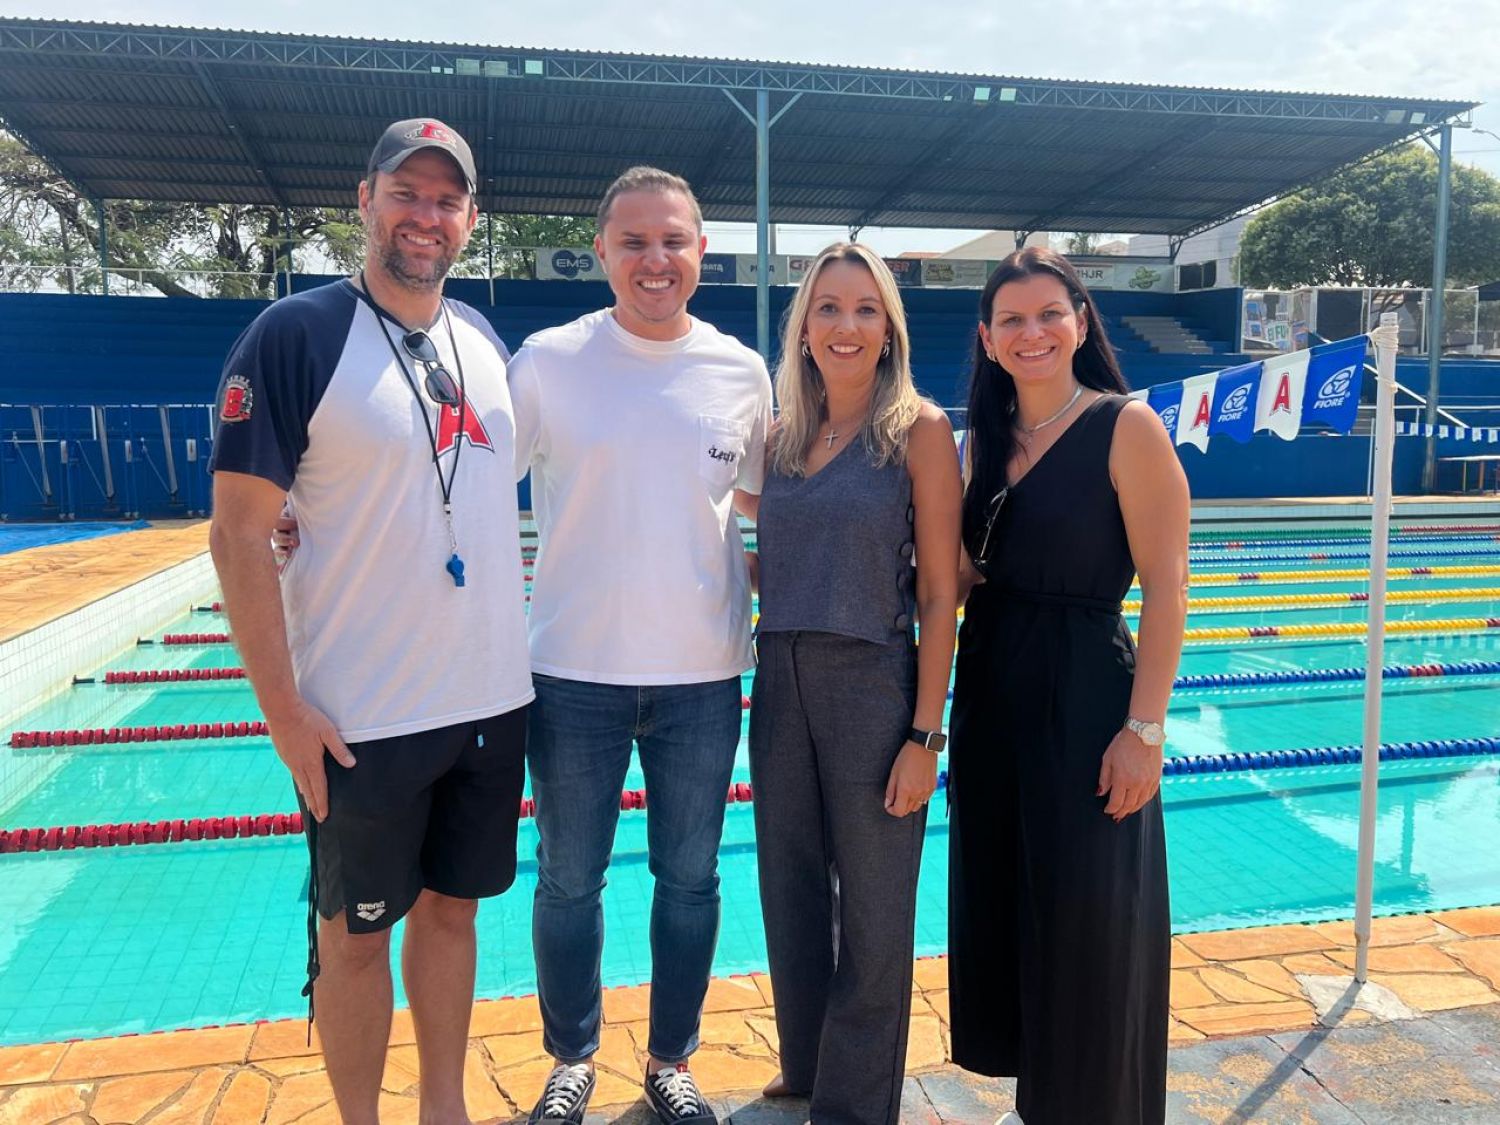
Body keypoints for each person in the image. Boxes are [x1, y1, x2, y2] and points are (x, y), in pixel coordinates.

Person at [208, 119, 533, 1125]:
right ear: (365, 199)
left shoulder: (480, 339)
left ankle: (445, 1108)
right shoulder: (295, 335)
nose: (425, 216)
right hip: (360, 715)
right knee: (353, 940)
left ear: (470, 218)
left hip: (487, 698)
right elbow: (236, 536)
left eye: (446, 200)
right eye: (407, 193)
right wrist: (283, 713)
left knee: (452, 914)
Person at [506, 167, 774, 1125]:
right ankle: (572, 1057)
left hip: (703, 674)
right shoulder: (547, 359)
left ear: (702, 250)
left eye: (674, 241)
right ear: (604, 251)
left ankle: (671, 1059)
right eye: (634, 242)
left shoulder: (741, 371)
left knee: (690, 879)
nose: (655, 260)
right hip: (571, 672)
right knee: (568, 880)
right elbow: (472, 489)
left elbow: (760, 499)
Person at [946, 247, 1190, 1125]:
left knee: (1090, 924)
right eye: (1011, 319)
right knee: (1015, 907)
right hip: (993, 700)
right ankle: (1041, 1100)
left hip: (1086, 695)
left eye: (1050, 312)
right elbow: (975, 570)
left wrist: (1146, 729)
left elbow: (1168, 585)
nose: (1032, 331)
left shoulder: (1127, 426)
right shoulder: (987, 434)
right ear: (987, 337)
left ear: (1082, 322)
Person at [745, 243, 961, 1124]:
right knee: (789, 887)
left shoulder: (919, 430)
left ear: (888, 329)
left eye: (865, 309)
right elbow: (777, 562)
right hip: (780, 680)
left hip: (873, 682)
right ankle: (805, 1065)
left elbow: (942, 591)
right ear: (803, 326)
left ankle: (854, 1106)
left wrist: (924, 734)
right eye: (828, 307)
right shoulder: (781, 436)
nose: (846, 325)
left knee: (873, 913)